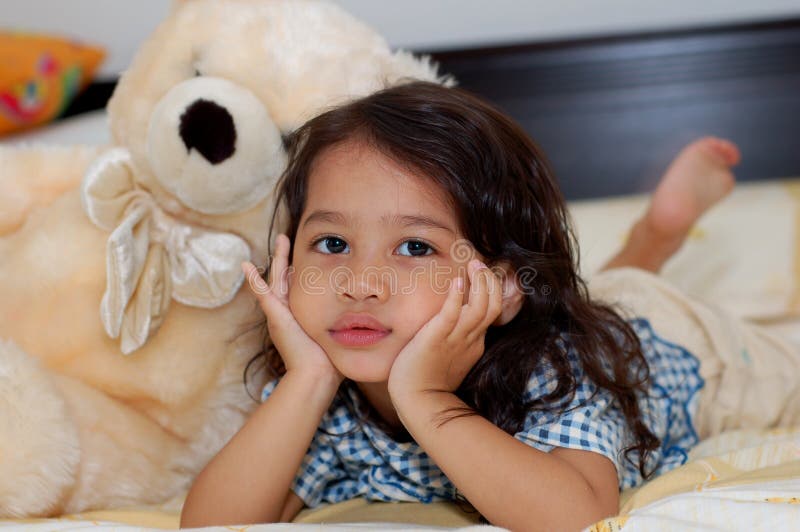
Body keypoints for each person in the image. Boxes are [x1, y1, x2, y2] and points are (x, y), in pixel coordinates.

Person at [179, 81, 800, 531]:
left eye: (414, 246)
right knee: (600, 294)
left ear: (500, 290)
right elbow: (213, 524)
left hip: (679, 345)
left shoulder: (554, 371)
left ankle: (655, 239)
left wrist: (428, 401)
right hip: (582, 308)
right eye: (332, 243)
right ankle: (652, 238)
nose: (360, 283)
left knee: (749, 360)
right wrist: (307, 382)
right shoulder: (323, 390)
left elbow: (578, 514)